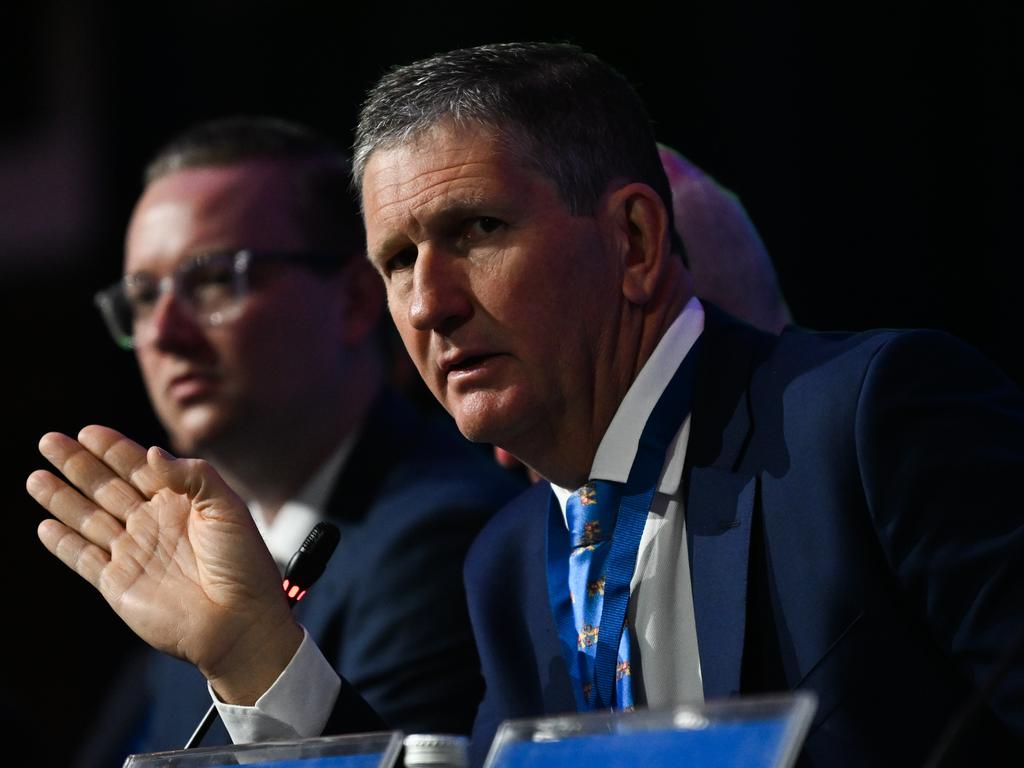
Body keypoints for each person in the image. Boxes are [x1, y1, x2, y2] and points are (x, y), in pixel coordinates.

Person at [28, 44, 1023, 767]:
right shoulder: (508, 560)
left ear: (633, 241)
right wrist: (254, 651)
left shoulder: (868, 420)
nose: (428, 302)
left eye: (477, 229)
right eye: (396, 262)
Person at [73, 116, 524, 765]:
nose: (165, 333)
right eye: (144, 297)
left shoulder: (446, 535)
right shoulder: (180, 556)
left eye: (213, 280)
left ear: (352, 302)